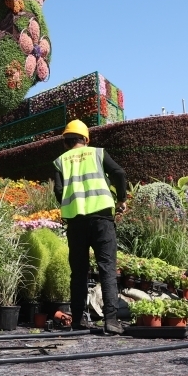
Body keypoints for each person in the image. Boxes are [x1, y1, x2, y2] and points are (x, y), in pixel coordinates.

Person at [53, 119, 128, 335]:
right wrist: (121, 199)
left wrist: (70, 203)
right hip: (102, 218)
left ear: (66, 141)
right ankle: (111, 321)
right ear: (85, 139)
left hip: (76, 221)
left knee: (78, 272)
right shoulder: (97, 153)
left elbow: (59, 191)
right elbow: (119, 174)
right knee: (107, 267)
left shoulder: (60, 161)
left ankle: (77, 320)